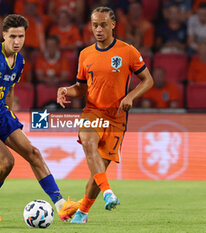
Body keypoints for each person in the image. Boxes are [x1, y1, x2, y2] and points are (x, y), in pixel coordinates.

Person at [0, 14, 80, 222]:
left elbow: (11, 85)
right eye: (12, 36)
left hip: (1, 113)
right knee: (7, 162)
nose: (16, 41)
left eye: (21, 36)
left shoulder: (20, 60)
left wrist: (10, 108)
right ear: (3, 35)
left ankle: (62, 206)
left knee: (34, 153)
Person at [57, 6, 153, 223]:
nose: (98, 29)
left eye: (102, 24)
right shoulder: (85, 54)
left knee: (96, 172)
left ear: (113, 25)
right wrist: (65, 90)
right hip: (92, 111)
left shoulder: (128, 51)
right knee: (89, 143)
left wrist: (130, 97)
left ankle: (81, 213)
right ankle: (108, 192)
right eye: (94, 25)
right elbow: (80, 88)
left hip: (117, 117)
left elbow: (148, 80)